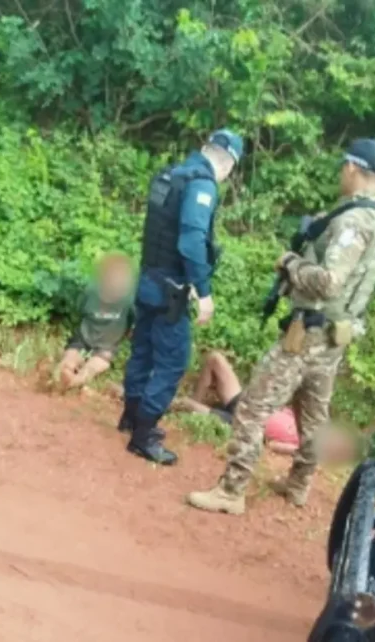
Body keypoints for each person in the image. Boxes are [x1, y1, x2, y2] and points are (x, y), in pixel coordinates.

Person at [185, 138, 375, 516]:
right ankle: (298, 485)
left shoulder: (353, 221)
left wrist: (291, 264)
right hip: (337, 334)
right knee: (313, 416)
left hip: (310, 332)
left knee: (251, 407)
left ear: (353, 168)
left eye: (342, 168)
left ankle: (232, 491)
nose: (340, 175)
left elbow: (330, 280)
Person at [117, 128, 244, 466]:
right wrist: (203, 292)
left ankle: (130, 417)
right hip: (171, 289)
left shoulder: (170, 174)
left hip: (147, 278)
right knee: (172, 362)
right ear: (230, 165)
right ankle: (143, 437)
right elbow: (190, 241)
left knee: (143, 350)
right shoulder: (202, 185)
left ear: (204, 148)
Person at [57, 252, 135, 389]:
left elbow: (132, 322)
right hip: (83, 337)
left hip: (106, 346)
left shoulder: (128, 301)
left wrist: (127, 334)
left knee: (95, 365)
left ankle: (75, 381)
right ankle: (65, 371)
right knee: (71, 356)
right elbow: (77, 313)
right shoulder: (90, 292)